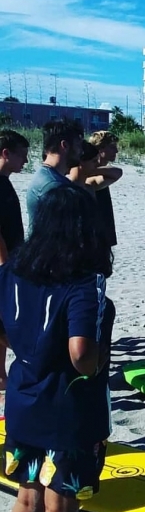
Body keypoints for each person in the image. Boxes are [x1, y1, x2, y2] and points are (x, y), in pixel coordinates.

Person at [0, 184, 115, 512]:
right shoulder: (84, 282)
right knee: (61, 506)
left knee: (27, 497)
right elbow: (81, 355)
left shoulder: (11, 270)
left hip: (23, 398)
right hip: (67, 407)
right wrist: (104, 356)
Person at [0, 129, 30, 391]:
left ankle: (1, 377)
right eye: (22, 155)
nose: (26, 161)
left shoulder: (5, 181)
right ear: (5, 153)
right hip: (4, 264)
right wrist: (4, 263)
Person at [26, 118, 84, 224]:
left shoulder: (46, 176)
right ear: (64, 145)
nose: (81, 151)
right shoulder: (54, 185)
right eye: (78, 145)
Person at [88, 131, 122, 249]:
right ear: (100, 149)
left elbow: (117, 172)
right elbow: (116, 174)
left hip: (103, 235)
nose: (116, 151)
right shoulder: (89, 177)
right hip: (94, 237)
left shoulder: (94, 172)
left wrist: (91, 170)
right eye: (112, 147)